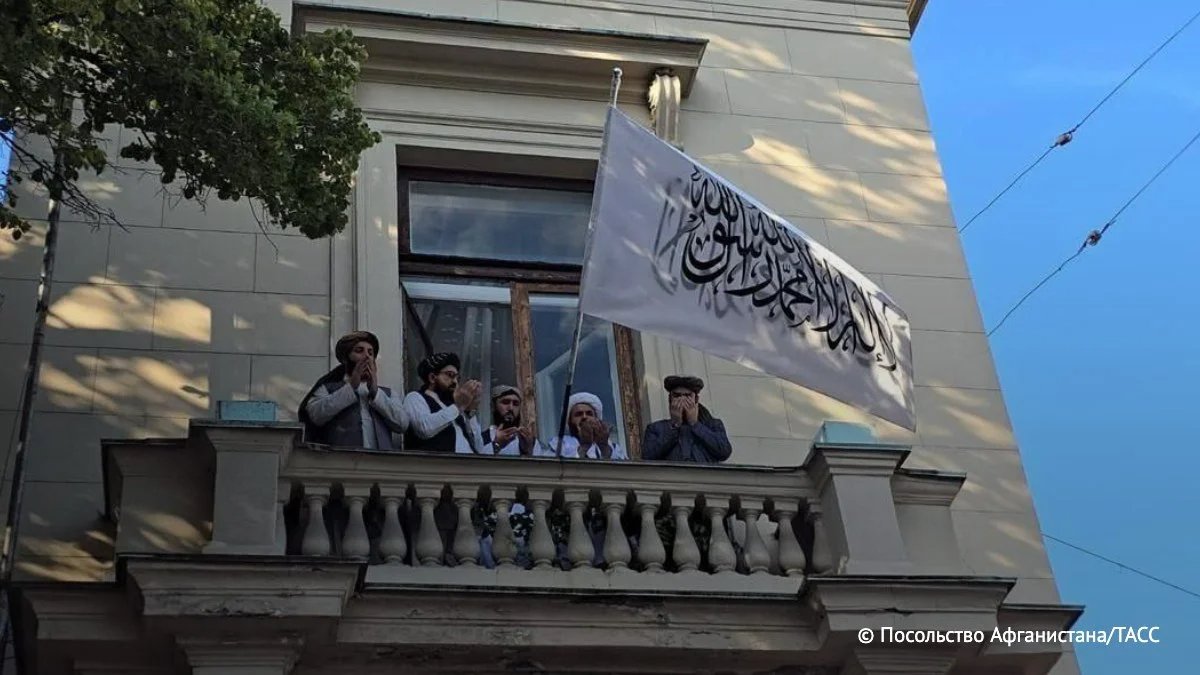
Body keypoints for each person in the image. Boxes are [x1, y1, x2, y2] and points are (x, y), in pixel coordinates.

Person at [297, 330, 408, 450]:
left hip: (380, 465)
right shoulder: (327, 388)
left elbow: (402, 424)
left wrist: (376, 393)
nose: (366, 356)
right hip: (344, 464)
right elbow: (315, 416)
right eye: (359, 351)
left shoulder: (388, 394)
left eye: (370, 353)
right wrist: (350, 388)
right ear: (346, 358)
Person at [403, 352, 486, 454]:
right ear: (432, 377)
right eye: (450, 375)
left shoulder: (453, 408)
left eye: (457, 378)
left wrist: (470, 412)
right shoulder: (415, 397)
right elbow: (423, 428)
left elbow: (479, 448)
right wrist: (458, 406)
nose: (455, 382)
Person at [642, 375, 732, 463]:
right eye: (677, 396)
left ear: (696, 400)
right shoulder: (655, 428)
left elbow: (724, 452)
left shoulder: (713, 424)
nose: (682, 400)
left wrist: (695, 424)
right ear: (670, 400)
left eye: (688, 396)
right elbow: (648, 456)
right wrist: (675, 425)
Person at [542, 392, 627, 460]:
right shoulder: (559, 445)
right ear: (570, 421)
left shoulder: (613, 448)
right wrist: (584, 446)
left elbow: (622, 472)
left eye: (589, 414)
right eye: (578, 414)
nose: (584, 417)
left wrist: (604, 446)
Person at [482, 385, 542, 456]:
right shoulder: (483, 438)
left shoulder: (530, 442)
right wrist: (496, 445)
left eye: (515, 404)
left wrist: (528, 451)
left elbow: (537, 466)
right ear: (493, 406)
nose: (511, 408)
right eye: (505, 402)